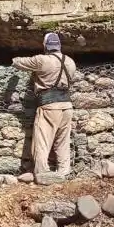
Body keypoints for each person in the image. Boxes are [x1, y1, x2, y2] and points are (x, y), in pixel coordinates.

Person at [12, 32, 76, 184]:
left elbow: (17, 62)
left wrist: (13, 57)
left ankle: (42, 174)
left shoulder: (42, 60)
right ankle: (64, 172)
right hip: (67, 106)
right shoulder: (70, 61)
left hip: (49, 105)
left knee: (42, 141)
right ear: (59, 45)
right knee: (63, 141)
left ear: (46, 45)